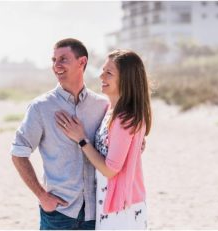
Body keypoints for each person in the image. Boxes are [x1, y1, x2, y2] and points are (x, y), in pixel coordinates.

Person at [11, 38, 109, 230]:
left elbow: (115, 144)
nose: (56, 65)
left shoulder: (102, 105)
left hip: (95, 213)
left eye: (63, 59)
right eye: (54, 60)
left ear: (82, 62)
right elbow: (18, 153)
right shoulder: (41, 107)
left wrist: (139, 142)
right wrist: (42, 195)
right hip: (59, 213)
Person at [55, 49, 151, 229]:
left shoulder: (125, 118)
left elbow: (110, 169)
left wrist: (81, 139)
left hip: (123, 207)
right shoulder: (111, 110)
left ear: (126, 79)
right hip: (111, 201)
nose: (101, 76)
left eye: (109, 73)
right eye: (102, 70)